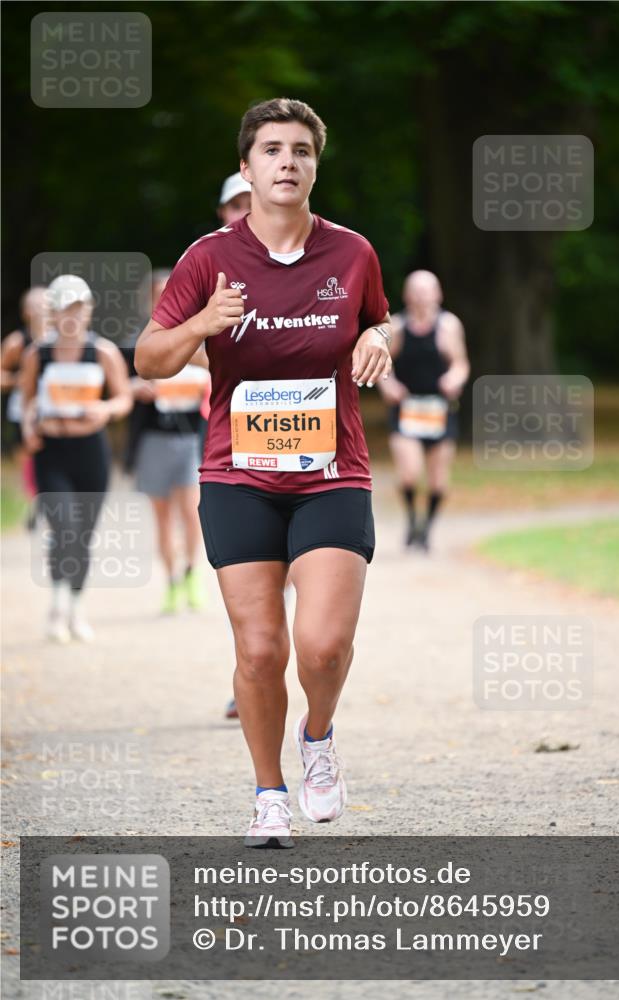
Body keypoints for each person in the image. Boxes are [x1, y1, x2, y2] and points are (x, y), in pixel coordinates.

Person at [135, 97, 392, 848]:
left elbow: (373, 318)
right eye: (272, 150)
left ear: (315, 166)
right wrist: (200, 325)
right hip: (237, 475)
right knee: (258, 650)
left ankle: (316, 738)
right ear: (247, 169)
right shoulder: (208, 259)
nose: (287, 162)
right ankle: (267, 793)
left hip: (331, 473)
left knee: (321, 646)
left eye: (301, 152)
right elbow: (150, 360)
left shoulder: (352, 253)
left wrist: (376, 335)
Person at [21, 275, 132, 642]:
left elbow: (123, 398)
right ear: (51, 313)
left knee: (82, 536)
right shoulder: (38, 353)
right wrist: (28, 429)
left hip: (90, 454)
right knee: (63, 529)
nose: (71, 316)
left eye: (77, 308)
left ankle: (76, 608)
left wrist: (104, 410)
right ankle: (56, 606)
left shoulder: (102, 352)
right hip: (52, 453)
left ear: (88, 311)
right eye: (63, 309)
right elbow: (25, 401)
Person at [123, 270, 209, 615]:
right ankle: (171, 580)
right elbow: (117, 386)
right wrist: (136, 388)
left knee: (191, 513)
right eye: (158, 294)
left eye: (169, 293)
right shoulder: (136, 341)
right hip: (152, 440)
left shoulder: (201, 339)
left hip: (190, 439)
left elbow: (221, 374)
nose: (164, 299)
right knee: (162, 517)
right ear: (150, 301)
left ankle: (191, 573)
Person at [379, 270, 469, 551]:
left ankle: (426, 528)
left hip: (439, 410)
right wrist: (389, 386)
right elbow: (384, 364)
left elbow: (460, 363)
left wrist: (454, 378)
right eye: (415, 290)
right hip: (406, 410)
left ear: (438, 294)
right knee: (409, 473)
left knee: (438, 481)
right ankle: (411, 518)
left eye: (427, 290)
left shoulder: (448, 325)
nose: (421, 296)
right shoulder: (399, 326)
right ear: (406, 295)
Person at [209, 171, 252, 718]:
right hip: (228, 436)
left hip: (302, 443)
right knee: (249, 572)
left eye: (250, 201)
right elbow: (171, 348)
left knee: (293, 571)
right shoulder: (207, 266)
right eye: (235, 204)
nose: (245, 209)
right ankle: (251, 670)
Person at [1, 286, 51, 525]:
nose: (42, 310)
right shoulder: (16, 343)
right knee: (29, 456)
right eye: (36, 306)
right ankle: (34, 501)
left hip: (55, 407)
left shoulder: (64, 339)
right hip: (22, 408)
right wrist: (17, 380)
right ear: (25, 313)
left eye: (46, 305)